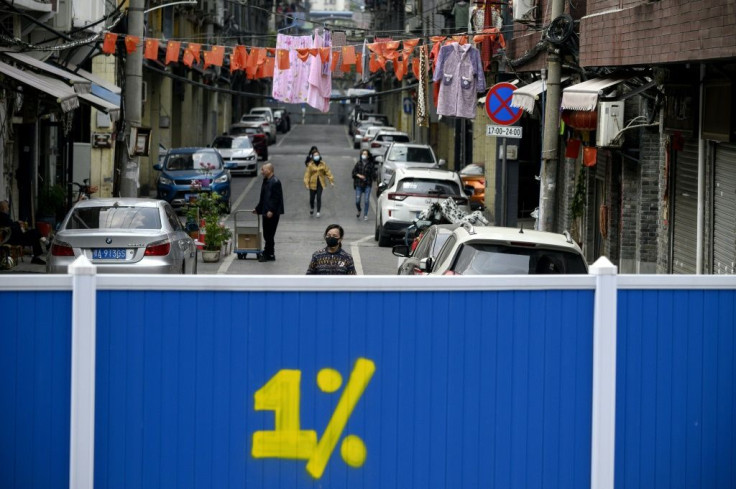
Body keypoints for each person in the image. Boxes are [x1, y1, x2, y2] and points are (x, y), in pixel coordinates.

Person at [254, 163, 284, 262]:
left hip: (272, 213)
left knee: (269, 234)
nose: (262, 172)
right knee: (267, 234)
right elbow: (263, 197)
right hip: (265, 211)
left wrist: (271, 210)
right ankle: (270, 253)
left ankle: (268, 253)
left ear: (269, 170)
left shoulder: (275, 182)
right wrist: (258, 209)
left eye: (263, 170)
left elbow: (276, 198)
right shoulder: (266, 181)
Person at [0, 200, 46, 265]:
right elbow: (11, 227)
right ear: (3, 208)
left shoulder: (4, 216)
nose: (8, 208)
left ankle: (37, 256)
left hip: (16, 237)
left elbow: (11, 225)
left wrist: (17, 223)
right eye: (7, 207)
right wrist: (18, 224)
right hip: (14, 239)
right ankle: (45, 243)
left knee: (35, 234)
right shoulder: (3, 216)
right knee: (35, 232)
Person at [303, 150, 334, 218]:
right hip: (312, 184)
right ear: (313, 157)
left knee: (319, 198)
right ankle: (312, 208)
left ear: (319, 156)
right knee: (312, 199)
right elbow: (307, 175)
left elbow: (328, 172)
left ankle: (318, 212)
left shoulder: (323, 164)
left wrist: (331, 181)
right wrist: (306, 184)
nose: (316, 156)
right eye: (315, 155)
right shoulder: (310, 165)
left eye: (317, 155)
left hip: (320, 183)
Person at [351, 150, 376, 221]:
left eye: (365, 154)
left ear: (368, 156)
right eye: (363, 154)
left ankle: (365, 214)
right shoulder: (358, 163)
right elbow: (353, 173)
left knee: (366, 200)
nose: (363, 155)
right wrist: (359, 175)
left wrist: (376, 183)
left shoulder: (371, 165)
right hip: (358, 184)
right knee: (357, 201)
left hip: (367, 184)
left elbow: (374, 175)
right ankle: (359, 210)